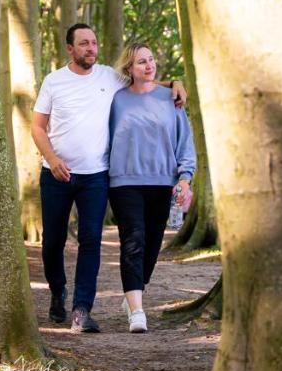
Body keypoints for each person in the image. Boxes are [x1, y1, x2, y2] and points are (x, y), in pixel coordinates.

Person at [30, 24, 185, 333]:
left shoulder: (108, 77)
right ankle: (57, 290)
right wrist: (52, 159)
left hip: (96, 176)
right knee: (53, 242)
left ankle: (81, 310)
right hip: (56, 175)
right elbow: (37, 126)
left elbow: (144, 79)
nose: (91, 48)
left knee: (91, 241)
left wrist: (175, 83)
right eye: (83, 43)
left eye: (94, 43)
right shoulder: (54, 81)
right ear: (70, 49)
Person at [107, 42, 196, 333]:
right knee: (133, 241)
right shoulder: (115, 100)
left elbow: (184, 142)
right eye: (141, 62)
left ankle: (134, 292)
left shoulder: (171, 98)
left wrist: (185, 178)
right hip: (124, 182)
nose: (149, 65)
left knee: (153, 245)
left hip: (162, 183)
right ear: (129, 68)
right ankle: (137, 311)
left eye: (151, 59)